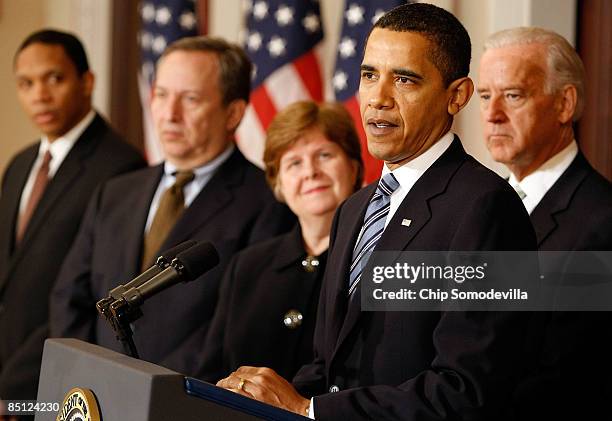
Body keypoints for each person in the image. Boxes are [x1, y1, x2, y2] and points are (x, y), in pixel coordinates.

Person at [216, 4, 537, 420]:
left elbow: (466, 389)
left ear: (456, 95)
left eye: (404, 79)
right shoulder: (354, 209)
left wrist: (310, 410)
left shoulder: (488, 209)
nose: (378, 99)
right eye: (369, 75)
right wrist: (263, 402)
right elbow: (330, 367)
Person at [50, 36, 293, 376]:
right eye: (161, 95)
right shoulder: (116, 193)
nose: (169, 114)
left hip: (186, 400)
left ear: (233, 113)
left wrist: (154, 388)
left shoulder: (267, 202)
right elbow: (69, 300)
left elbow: (239, 328)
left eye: (190, 99)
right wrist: (84, 377)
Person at [0, 29, 145, 402]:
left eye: (55, 79)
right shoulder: (19, 165)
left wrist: (12, 387)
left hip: (52, 377)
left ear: (87, 81)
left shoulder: (120, 167)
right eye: (26, 83)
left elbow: (90, 294)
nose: (40, 95)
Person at [478, 27, 612, 419]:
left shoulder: (601, 223)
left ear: (564, 104)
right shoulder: (478, 207)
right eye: (485, 96)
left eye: (513, 95)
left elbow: (569, 378)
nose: (492, 114)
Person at [197, 101, 363, 383]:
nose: (310, 172)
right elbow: (212, 375)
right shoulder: (247, 267)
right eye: (294, 163)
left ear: (354, 168)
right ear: (278, 184)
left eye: (324, 155)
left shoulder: (378, 261)